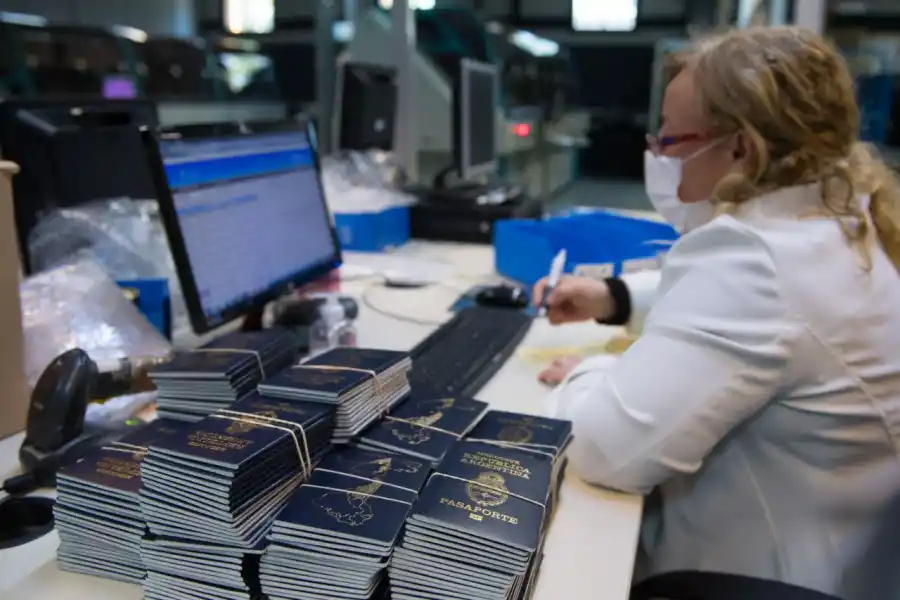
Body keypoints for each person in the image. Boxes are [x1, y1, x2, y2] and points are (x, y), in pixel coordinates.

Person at [532, 26, 900, 598]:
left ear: (740, 148)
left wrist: (590, 374)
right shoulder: (840, 216)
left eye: (673, 142)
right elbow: (778, 320)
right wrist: (618, 298)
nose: (660, 157)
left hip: (749, 574)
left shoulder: (754, 255)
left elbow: (605, 449)